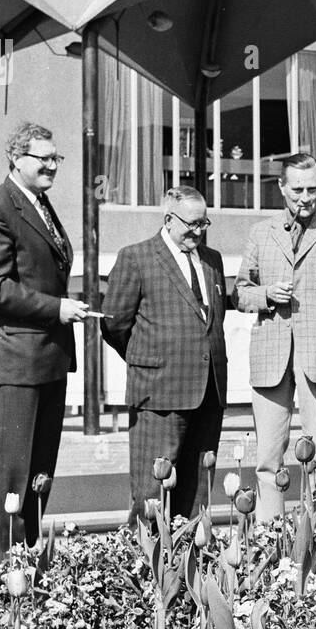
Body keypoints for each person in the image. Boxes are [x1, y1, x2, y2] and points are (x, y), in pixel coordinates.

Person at [0, 121, 89, 582]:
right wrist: (56, 308)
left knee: (39, 477)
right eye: (44, 158)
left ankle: (30, 577)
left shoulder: (39, 204)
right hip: (15, 364)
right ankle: (4, 585)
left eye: (56, 157)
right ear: (16, 159)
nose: (52, 166)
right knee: (11, 480)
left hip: (47, 361)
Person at [236, 154, 316, 520]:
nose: (305, 198)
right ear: (281, 187)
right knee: (267, 460)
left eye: (312, 189)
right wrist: (266, 295)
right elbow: (240, 293)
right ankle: (269, 536)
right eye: (297, 190)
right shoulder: (261, 232)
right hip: (270, 359)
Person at [101, 186, 228, 520]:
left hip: (208, 393)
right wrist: (150, 360)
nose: (198, 231)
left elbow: (212, 322)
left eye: (204, 223)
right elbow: (114, 324)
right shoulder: (136, 257)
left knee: (197, 498)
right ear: (169, 219)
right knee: (151, 498)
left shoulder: (213, 261)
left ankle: (190, 553)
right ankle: (147, 554)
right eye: (191, 224)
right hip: (158, 395)